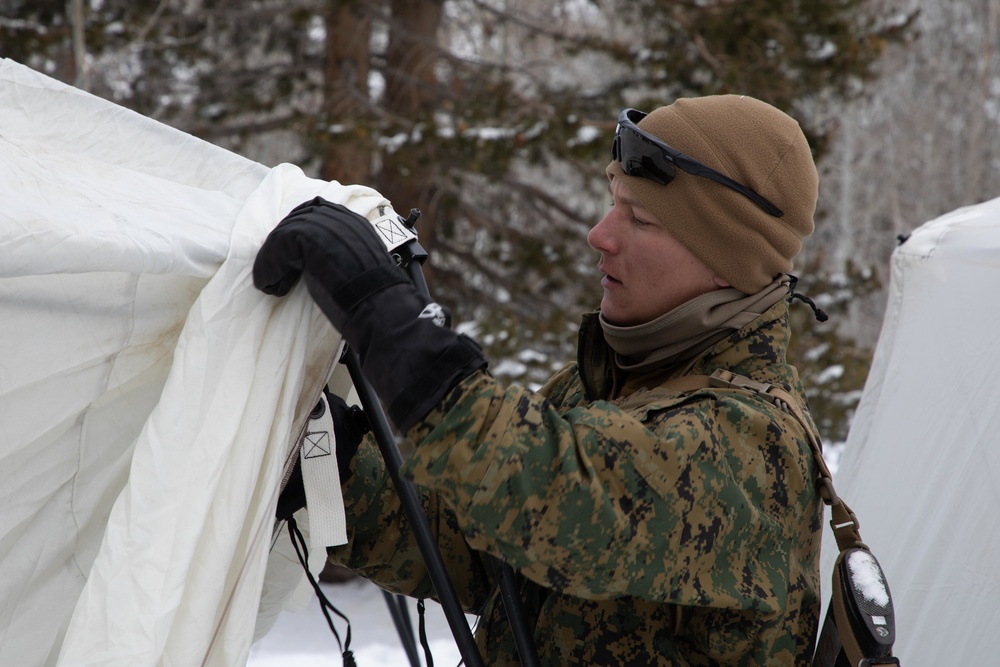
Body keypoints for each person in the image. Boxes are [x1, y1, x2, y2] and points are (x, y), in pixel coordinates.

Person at [254, 94, 824, 665]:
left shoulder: (756, 444)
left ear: (729, 261)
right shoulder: (605, 386)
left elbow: (564, 504)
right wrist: (339, 465)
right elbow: (487, 550)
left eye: (641, 219)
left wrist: (392, 323)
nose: (599, 235)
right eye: (612, 205)